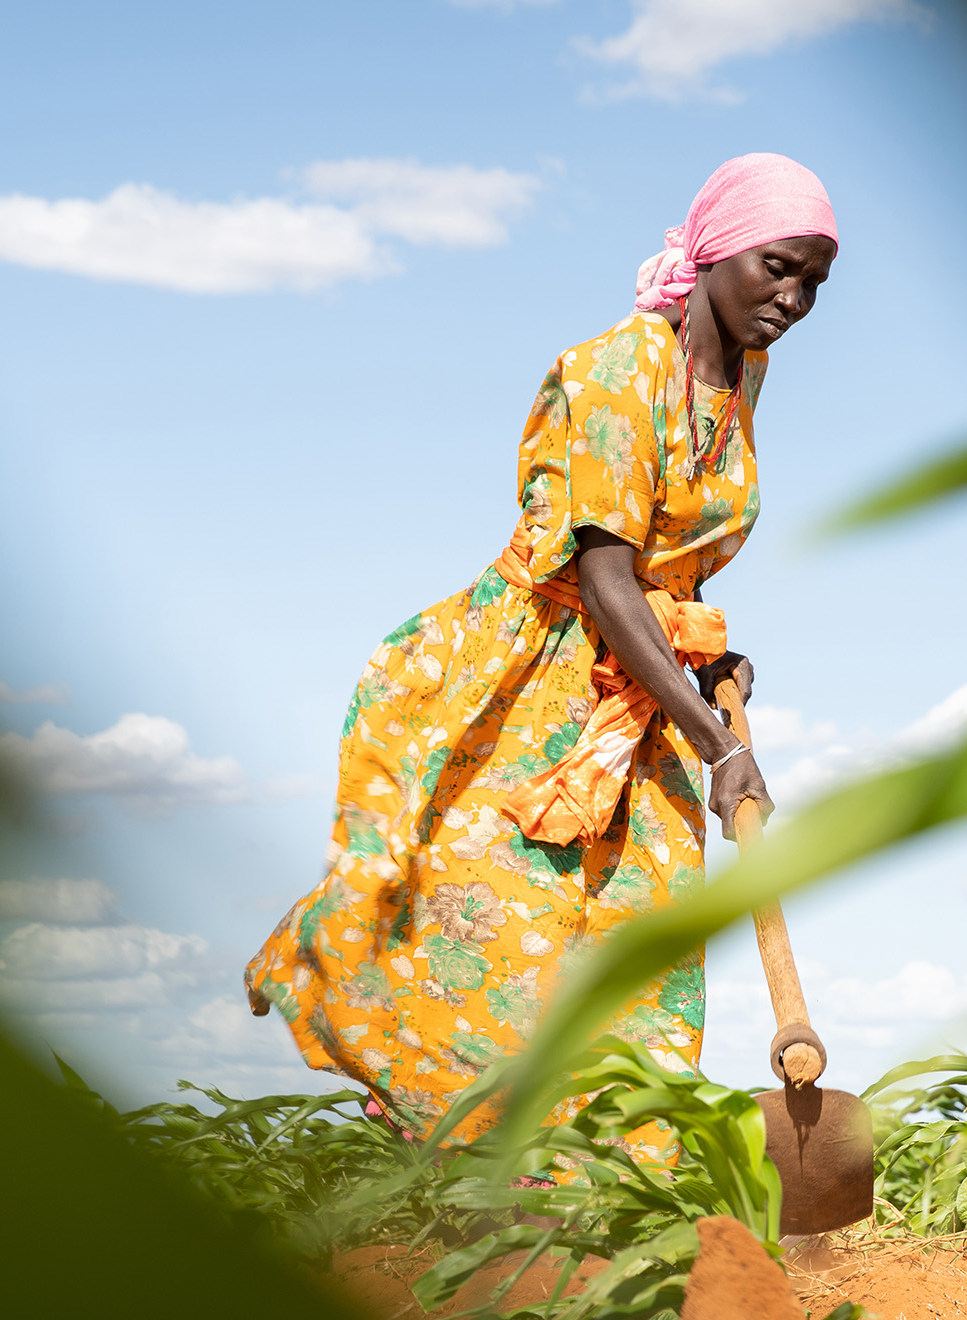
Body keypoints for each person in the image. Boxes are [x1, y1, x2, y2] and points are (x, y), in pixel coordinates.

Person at [245, 154, 839, 1153]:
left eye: (815, 281)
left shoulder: (743, 374)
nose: (795, 296)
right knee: (496, 926)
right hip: (526, 681)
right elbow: (607, 578)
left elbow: (668, 560)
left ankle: (607, 1165)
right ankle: (482, 1152)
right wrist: (719, 745)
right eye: (779, 266)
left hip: (635, 692)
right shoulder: (613, 372)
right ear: (714, 251)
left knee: (635, 932)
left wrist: (707, 657)